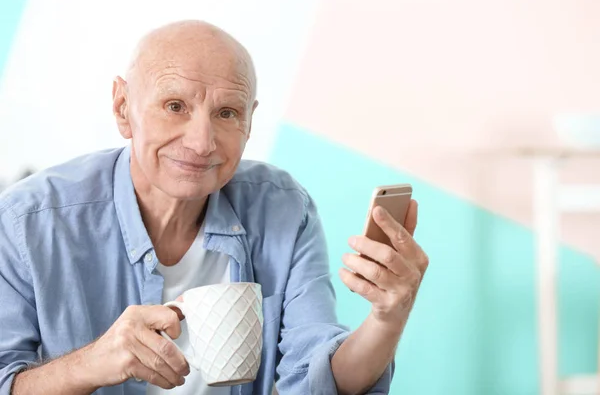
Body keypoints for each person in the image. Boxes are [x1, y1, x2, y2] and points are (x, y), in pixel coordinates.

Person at [0, 20, 429, 395]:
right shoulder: (27, 222)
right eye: (175, 107)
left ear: (249, 120)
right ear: (122, 107)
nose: (202, 143)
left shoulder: (282, 209)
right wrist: (92, 363)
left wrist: (388, 317)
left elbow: (314, 378)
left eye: (226, 113)